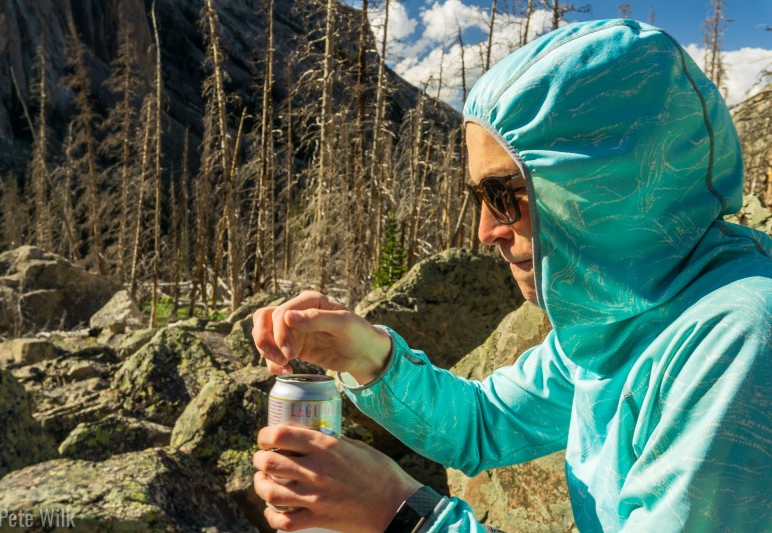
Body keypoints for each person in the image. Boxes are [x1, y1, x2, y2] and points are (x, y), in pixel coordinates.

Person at [251, 18, 772, 532]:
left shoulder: (738, 339)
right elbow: (482, 423)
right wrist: (364, 354)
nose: (485, 232)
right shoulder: (628, 308)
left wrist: (405, 515)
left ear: (602, 185)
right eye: (479, 196)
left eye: (505, 194)